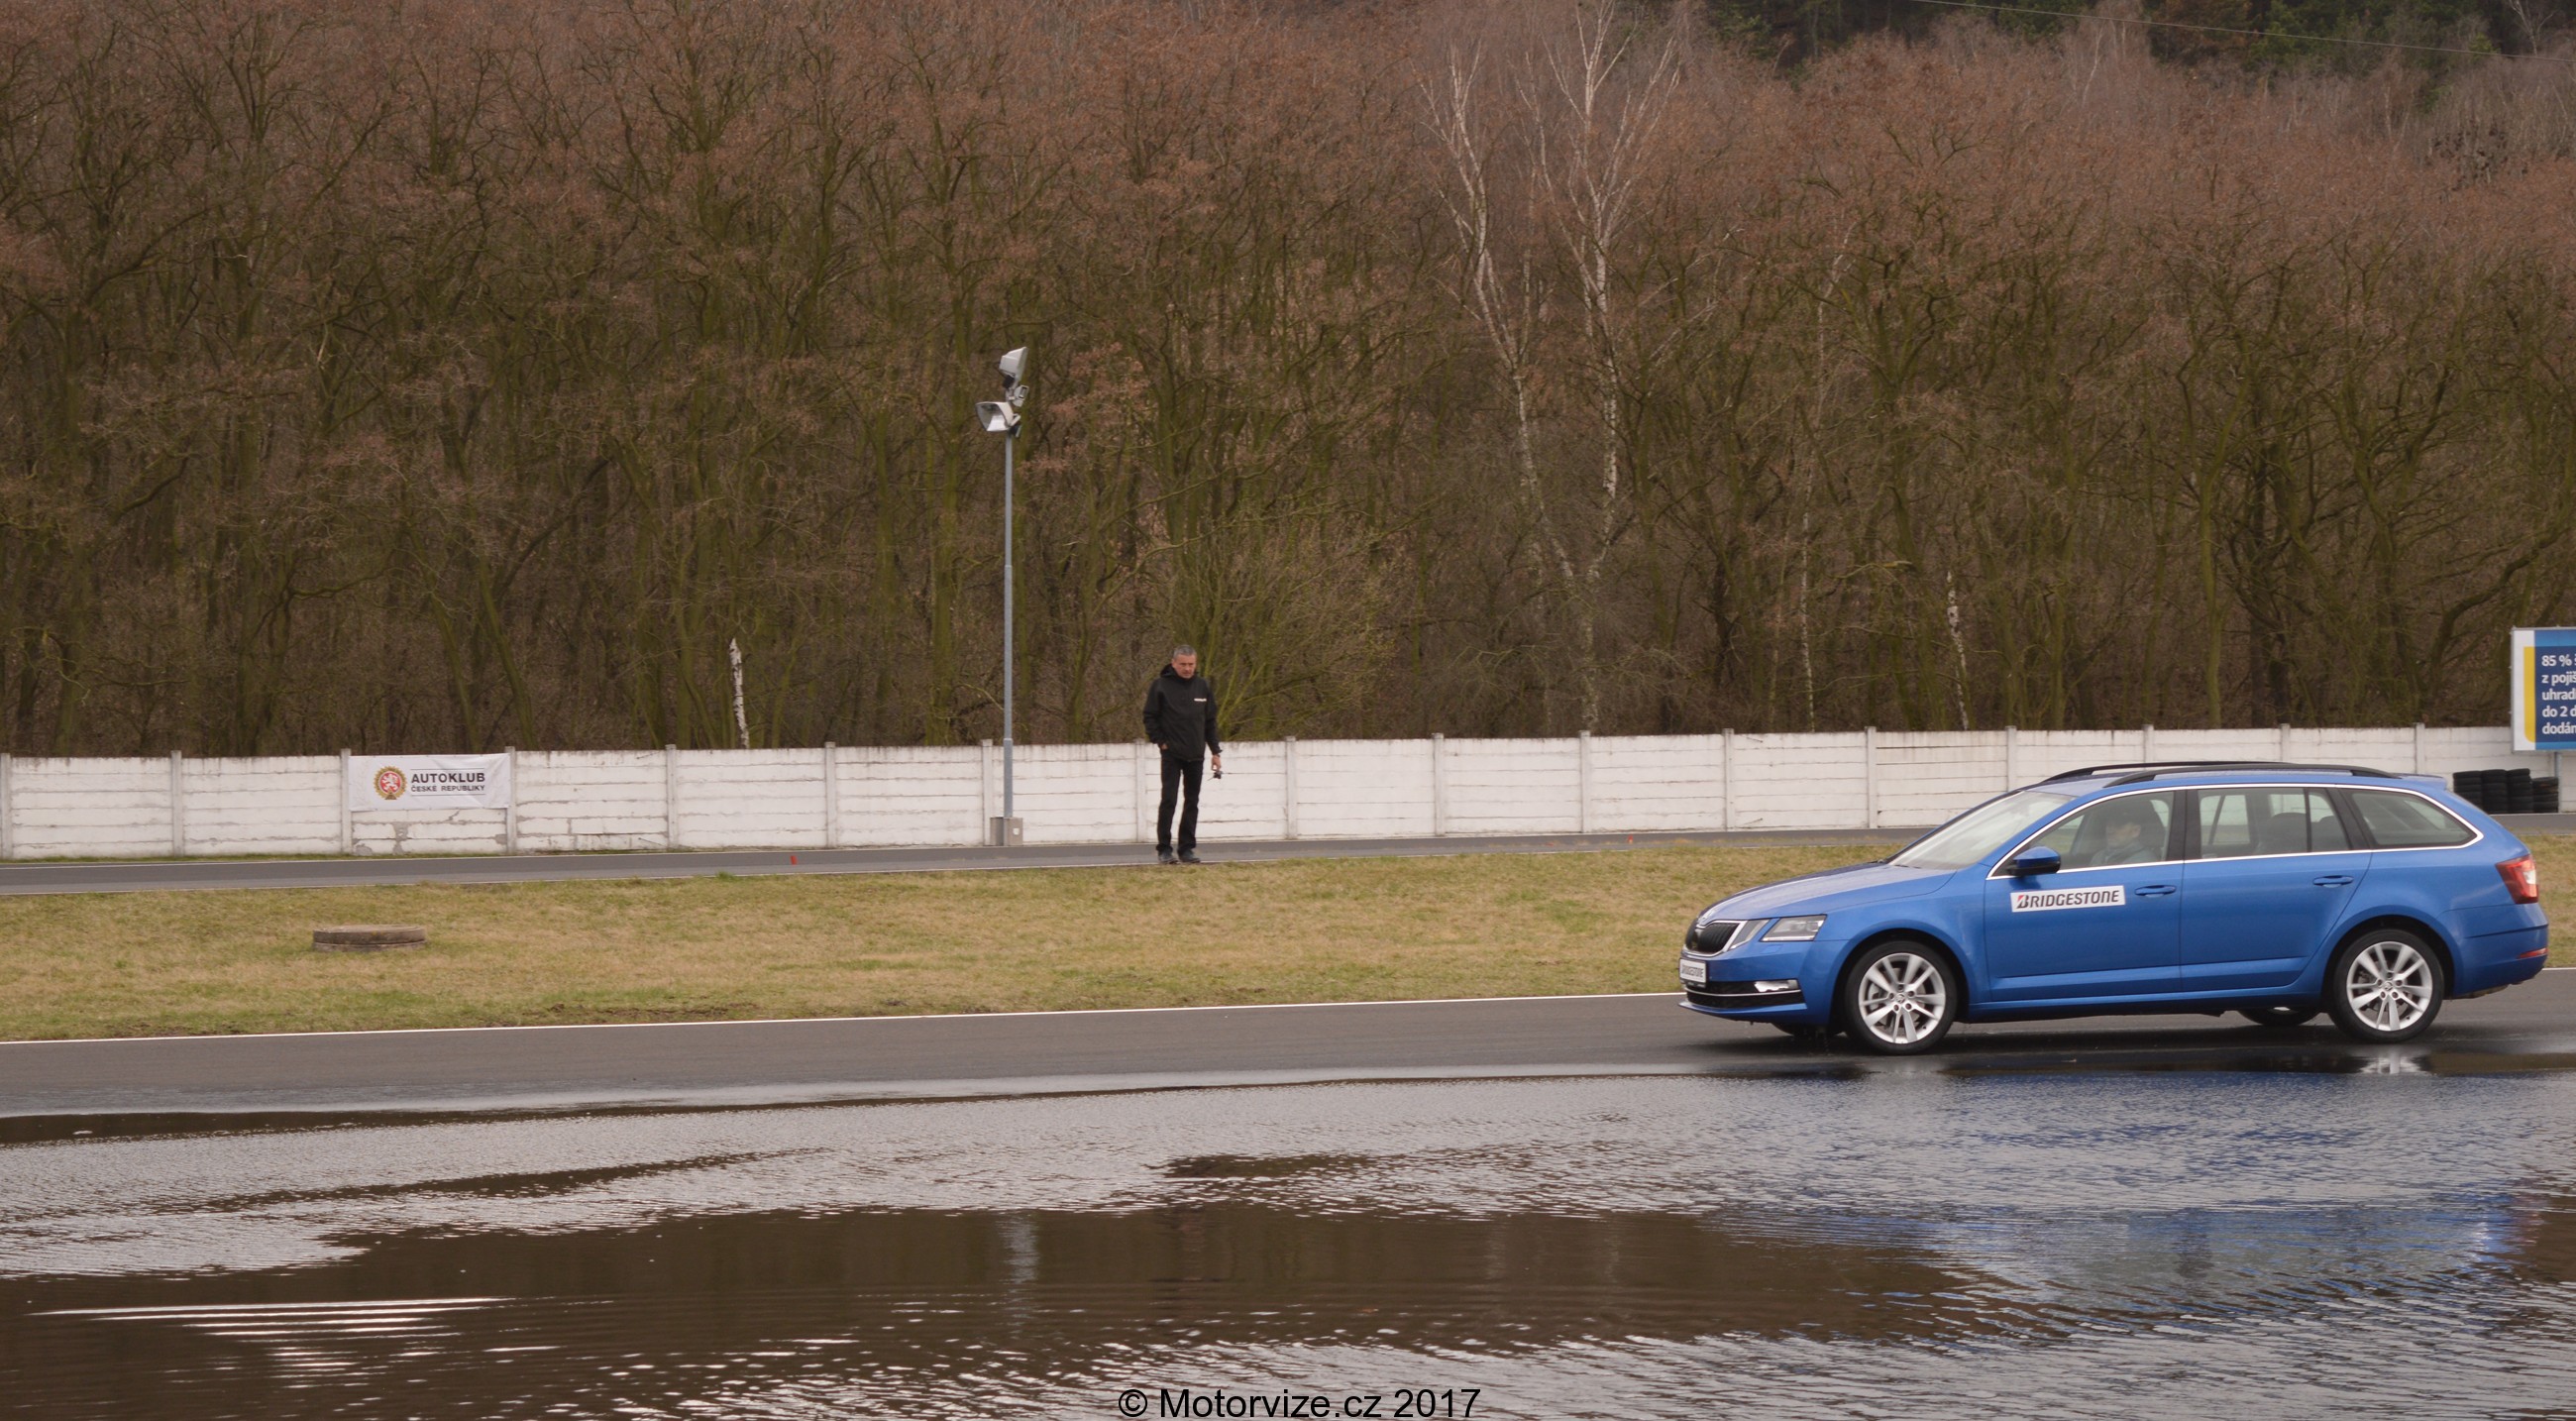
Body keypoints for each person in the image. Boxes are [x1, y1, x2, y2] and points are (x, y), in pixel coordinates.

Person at [1142, 645, 1222, 864]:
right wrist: (1161, 742)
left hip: (1196, 754)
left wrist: (1215, 751)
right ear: (1174, 663)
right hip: (1172, 755)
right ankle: (1164, 849)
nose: (1187, 669)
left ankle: (1186, 849)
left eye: (1191, 664)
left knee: (1192, 801)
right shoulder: (1160, 686)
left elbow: (1210, 722)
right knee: (1169, 799)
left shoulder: (1203, 686)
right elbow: (1150, 717)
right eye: (1183, 664)